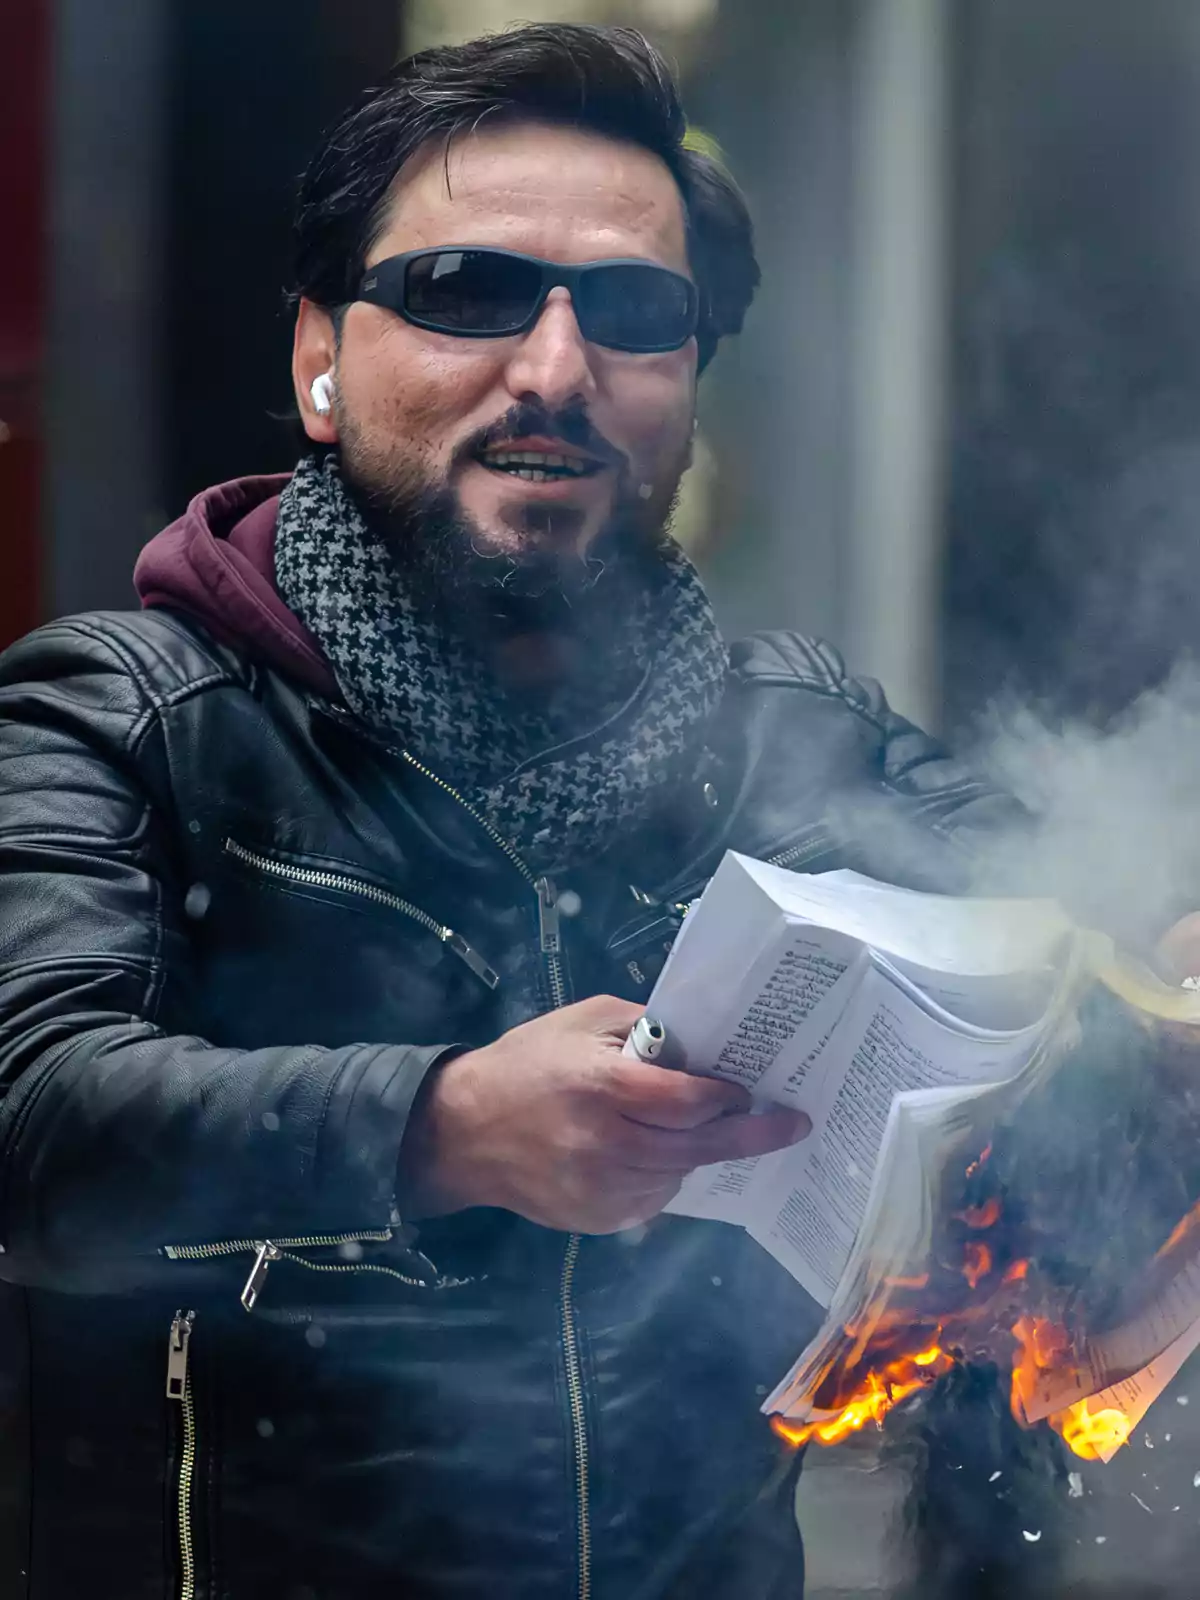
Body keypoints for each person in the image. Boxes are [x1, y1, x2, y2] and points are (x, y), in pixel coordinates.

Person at [0, 24, 1023, 1599]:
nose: (553, 369)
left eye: (630, 316)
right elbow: (37, 1111)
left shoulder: (794, 736)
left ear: (687, 383)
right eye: (467, 294)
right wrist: (443, 1124)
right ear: (318, 362)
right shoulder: (128, 715)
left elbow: (1063, 913)